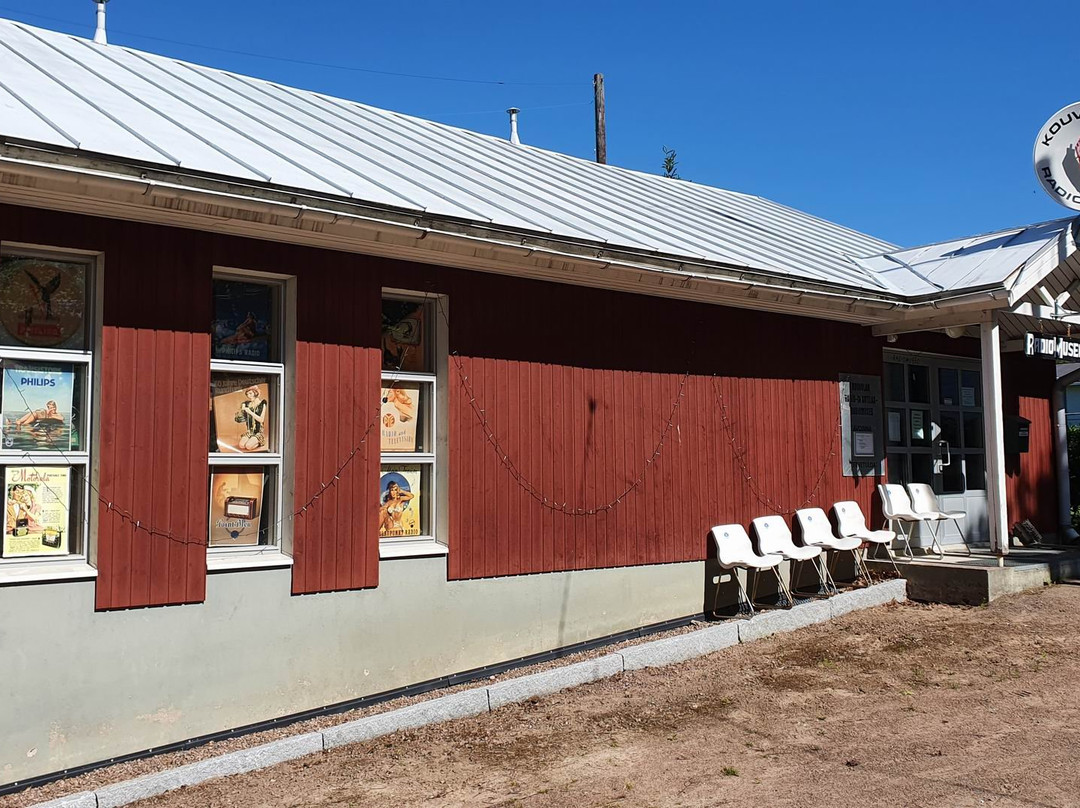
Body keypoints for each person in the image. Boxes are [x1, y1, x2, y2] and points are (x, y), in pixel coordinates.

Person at [237, 386, 268, 451]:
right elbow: (244, 418)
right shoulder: (247, 404)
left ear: (255, 393)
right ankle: (251, 440)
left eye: (250, 393)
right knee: (241, 446)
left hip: (258, 432)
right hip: (250, 432)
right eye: (247, 394)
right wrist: (240, 414)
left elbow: (261, 419)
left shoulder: (262, 403)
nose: (248, 395)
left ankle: (260, 441)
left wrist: (250, 412)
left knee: (248, 446)